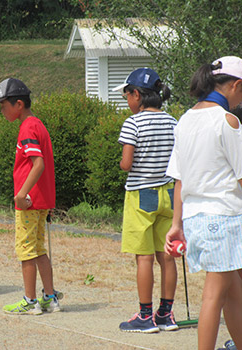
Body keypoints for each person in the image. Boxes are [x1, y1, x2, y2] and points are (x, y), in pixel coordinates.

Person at [164, 56, 242, 350]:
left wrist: (176, 224)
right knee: (214, 296)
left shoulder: (186, 119)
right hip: (224, 218)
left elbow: (179, 178)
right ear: (236, 85)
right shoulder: (227, 120)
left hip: (196, 219)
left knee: (234, 292)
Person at [0, 78, 61, 314]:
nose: (1, 110)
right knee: (38, 249)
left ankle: (30, 301)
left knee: (26, 249)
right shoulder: (38, 124)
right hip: (41, 200)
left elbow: (37, 164)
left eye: (3, 105)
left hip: (29, 201)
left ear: (18, 104)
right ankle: (50, 297)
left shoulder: (27, 127)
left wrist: (21, 194)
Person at [114, 68, 179, 333]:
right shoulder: (173, 121)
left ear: (137, 95)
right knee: (167, 256)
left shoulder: (133, 123)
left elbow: (127, 164)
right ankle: (165, 314)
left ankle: (144, 316)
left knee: (143, 258)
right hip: (169, 194)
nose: (127, 101)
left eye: (127, 95)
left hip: (142, 194)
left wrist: (121, 162)